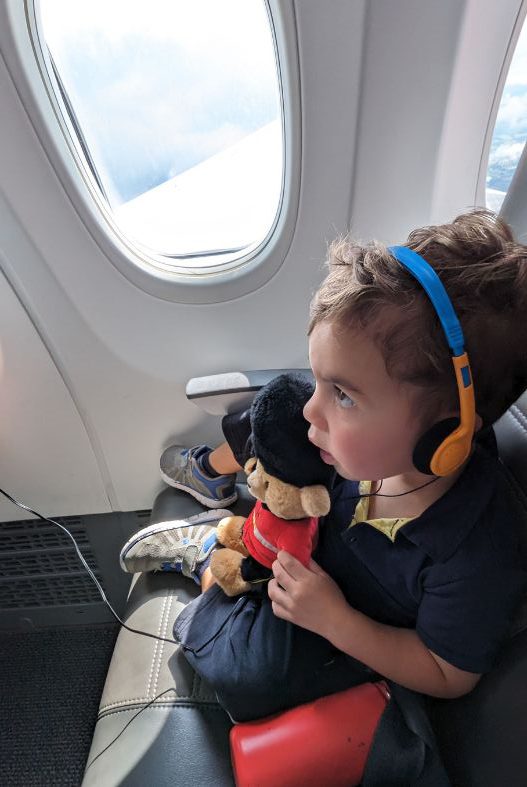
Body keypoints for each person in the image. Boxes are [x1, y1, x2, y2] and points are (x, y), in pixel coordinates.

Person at [121, 208, 527, 712]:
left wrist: (337, 621)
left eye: (345, 396)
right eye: (323, 382)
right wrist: (329, 405)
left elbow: (448, 672)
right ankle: (212, 475)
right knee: (283, 406)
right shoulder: (360, 446)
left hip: (344, 606)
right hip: (309, 532)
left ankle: (206, 553)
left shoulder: (476, 548)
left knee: (250, 674)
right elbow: (309, 411)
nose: (317, 407)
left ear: (444, 435)